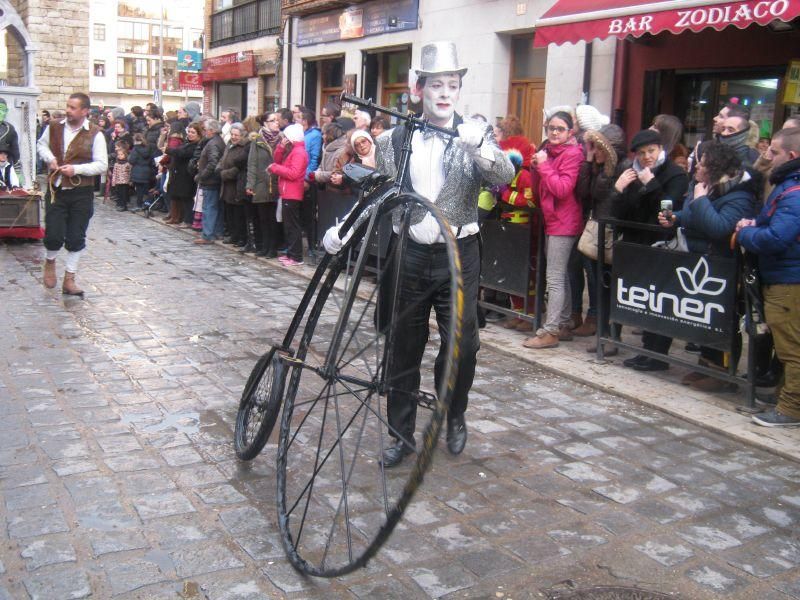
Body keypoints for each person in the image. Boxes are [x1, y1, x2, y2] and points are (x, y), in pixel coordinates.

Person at [322, 41, 514, 466]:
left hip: (458, 256)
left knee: (462, 345)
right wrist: (345, 228)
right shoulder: (396, 138)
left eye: (452, 85)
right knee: (403, 345)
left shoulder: (475, 134)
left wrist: (479, 148)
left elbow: (505, 175)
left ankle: (455, 413)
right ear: (420, 90)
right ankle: (401, 433)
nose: (444, 94)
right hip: (408, 252)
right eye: (436, 85)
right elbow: (378, 191)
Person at [659, 141, 757, 391]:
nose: (696, 169)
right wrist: (675, 218)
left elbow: (719, 227)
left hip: (725, 266)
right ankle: (705, 365)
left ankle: (723, 372)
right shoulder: (707, 188)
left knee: (723, 320)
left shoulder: (739, 195)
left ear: (714, 168)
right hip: (701, 261)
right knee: (704, 317)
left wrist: (701, 200)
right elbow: (692, 216)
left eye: (701, 165)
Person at [736, 127, 800, 427]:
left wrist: (747, 231)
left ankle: (791, 409)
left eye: (773, 152)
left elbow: (776, 237)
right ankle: (785, 397)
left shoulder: (794, 193)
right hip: (783, 275)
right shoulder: (787, 187)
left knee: (791, 347)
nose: (767, 156)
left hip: (789, 279)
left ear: (792, 155)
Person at [613, 129, 689, 371]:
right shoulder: (632, 173)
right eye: (643, 153)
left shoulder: (674, 173)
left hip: (662, 244)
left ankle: (659, 354)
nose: (647, 157)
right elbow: (619, 213)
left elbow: (669, 210)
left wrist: (652, 184)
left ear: (660, 149)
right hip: (636, 244)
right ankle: (646, 349)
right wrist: (619, 190)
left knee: (661, 299)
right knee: (643, 299)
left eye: (651, 151)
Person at [523, 111, 584, 349]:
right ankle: (564, 322)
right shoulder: (549, 152)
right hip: (553, 219)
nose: (554, 133)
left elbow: (562, 189)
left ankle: (551, 331)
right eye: (551, 128)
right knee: (561, 275)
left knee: (555, 277)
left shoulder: (572, 154)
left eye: (560, 129)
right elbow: (540, 190)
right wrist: (535, 169)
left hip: (565, 221)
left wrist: (545, 166)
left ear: (570, 132)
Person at [38, 92, 108, 296]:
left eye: (73, 107)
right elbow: (41, 145)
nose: (68, 110)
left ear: (85, 111)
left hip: (81, 192)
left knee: (76, 235)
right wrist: (50, 158)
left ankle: (70, 278)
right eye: (67, 106)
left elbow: (102, 164)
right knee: (53, 233)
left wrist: (76, 170)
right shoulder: (54, 127)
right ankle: (50, 261)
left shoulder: (95, 134)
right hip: (56, 189)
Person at [575, 124, 631, 350]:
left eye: (598, 148)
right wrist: (590, 163)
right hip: (597, 229)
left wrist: (615, 187)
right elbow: (586, 192)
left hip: (612, 232)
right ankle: (605, 336)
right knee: (599, 287)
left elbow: (614, 202)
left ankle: (612, 338)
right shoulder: (602, 168)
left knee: (609, 288)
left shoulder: (624, 167)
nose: (594, 151)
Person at [268, 123, 308, 266]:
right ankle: (291, 254)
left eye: (285, 137)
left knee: (292, 226)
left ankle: (296, 257)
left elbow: (293, 173)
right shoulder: (291, 150)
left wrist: (275, 169)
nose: (283, 139)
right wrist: (280, 147)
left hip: (292, 193)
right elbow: (277, 160)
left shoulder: (299, 152)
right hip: (286, 192)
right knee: (288, 225)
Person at [246, 112, 281, 257]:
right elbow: (252, 163)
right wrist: (250, 184)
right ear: (265, 123)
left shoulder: (282, 139)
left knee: (274, 219)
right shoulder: (257, 140)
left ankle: (272, 248)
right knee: (263, 218)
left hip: (277, 183)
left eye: (277, 120)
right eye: (272, 121)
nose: (276, 123)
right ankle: (264, 246)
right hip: (261, 183)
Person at [217, 123, 251, 248]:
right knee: (229, 212)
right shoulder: (229, 145)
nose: (234, 137)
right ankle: (232, 235)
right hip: (226, 185)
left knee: (238, 214)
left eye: (236, 135)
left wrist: (225, 174)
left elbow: (239, 167)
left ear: (242, 135)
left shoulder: (244, 147)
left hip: (236, 184)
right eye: (232, 134)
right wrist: (219, 168)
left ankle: (240, 237)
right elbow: (222, 159)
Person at [194, 119, 226, 245]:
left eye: (206, 130)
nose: (204, 132)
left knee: (209, 208)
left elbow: (213, 163)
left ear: (212, 131)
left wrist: (202, 176)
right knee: (214, 207)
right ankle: (216, 232)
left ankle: (208, 234)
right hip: (214, 180)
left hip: (211, 181)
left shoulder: (213, 143)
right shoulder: (218, 141)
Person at [165, 122, 201, 227]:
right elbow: (178, 151)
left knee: (187, 197)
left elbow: (182, 153)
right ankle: (176, 217)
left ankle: (188, 220)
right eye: (189, 132)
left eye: (193, 132)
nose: (190, 134)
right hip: (178, 172)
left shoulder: (196, 145)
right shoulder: (186, 143)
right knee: (176, 195)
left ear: (198, 134)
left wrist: (168, 150)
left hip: (188, 174)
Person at [128, 133, 154, 210]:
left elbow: (132, 161)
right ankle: (146, 204)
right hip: (147, 171)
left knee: (139, 190)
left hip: (137, 171)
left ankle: (139, 205)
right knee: (146, 189)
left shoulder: (135, 149)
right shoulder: (149, 148)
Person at [111, 145, 132, 211]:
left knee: (124, 194)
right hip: (118, 181)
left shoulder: (128, 164)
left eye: (122, 154)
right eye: (119, 154)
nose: (120, 156)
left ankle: (124, 205)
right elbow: (114, 173)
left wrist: (130, 181)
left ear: (125, 155)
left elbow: (130, 173)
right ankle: (119, 204)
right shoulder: (116, 164)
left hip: (125, 182)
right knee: (119, 193)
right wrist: (113, 182)